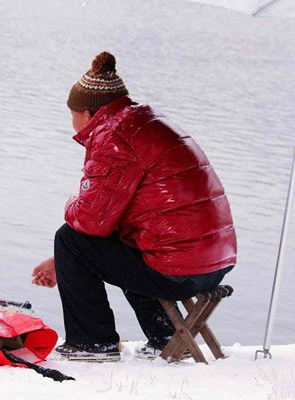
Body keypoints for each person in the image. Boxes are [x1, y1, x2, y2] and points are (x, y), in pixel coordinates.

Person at [31, 51, 237, 362]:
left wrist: (69, 210)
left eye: (71, 113)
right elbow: (109, 224)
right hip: (214, 262)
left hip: (179, 271)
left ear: (87, 113)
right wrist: (61, 261)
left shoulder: (114, 138)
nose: (71, 122)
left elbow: (90, 220)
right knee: (126, 244)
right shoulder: (142, 122)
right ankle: (165, 336)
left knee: (68, 238)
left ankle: (92, 344)